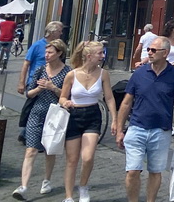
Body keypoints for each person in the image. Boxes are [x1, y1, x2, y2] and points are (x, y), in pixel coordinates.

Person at [115, 35, 174, 202]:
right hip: (137, 127)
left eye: (153, 50)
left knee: (155, 171)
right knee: (132, 171)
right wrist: (119, 130)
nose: (149, 52)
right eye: (148, 49)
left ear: (165, 53)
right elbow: (126, 103)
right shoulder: (139, 73)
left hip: (161, 130)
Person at [59, 41, 118, 202]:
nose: (103, 56)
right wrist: (65, 102)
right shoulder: (72, 74)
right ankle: (69, 196)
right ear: (89, 56)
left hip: (92, 114)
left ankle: (83, 186)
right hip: (73, 115)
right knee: (72, 159)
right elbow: (63, 97)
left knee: (88, 157)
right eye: (100, 53)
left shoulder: (103, 74)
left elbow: (109, 97)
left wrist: (114, 119)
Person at [13, 39, 70, 201]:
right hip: (36, 113)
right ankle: (23, 186)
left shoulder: (67, 72)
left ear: (59, 53)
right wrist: (39, 88)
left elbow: (67, 96)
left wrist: (53, 88)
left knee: (49, 149)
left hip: (55, 115)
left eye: (50, 52)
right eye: (46, 52)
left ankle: (47, 180)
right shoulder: (40, 70)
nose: (46, 55)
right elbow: (29, 94)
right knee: (30, 149)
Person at [17, 21, 63, 142]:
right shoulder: (38, 45)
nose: (61, 33)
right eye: (59, 31)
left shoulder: (58, 47)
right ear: (52, 32)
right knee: (32, 106)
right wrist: (22, 82)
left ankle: (33, 133)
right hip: (35, 81)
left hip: (53, 82)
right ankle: (26, 132)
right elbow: (26, 63)